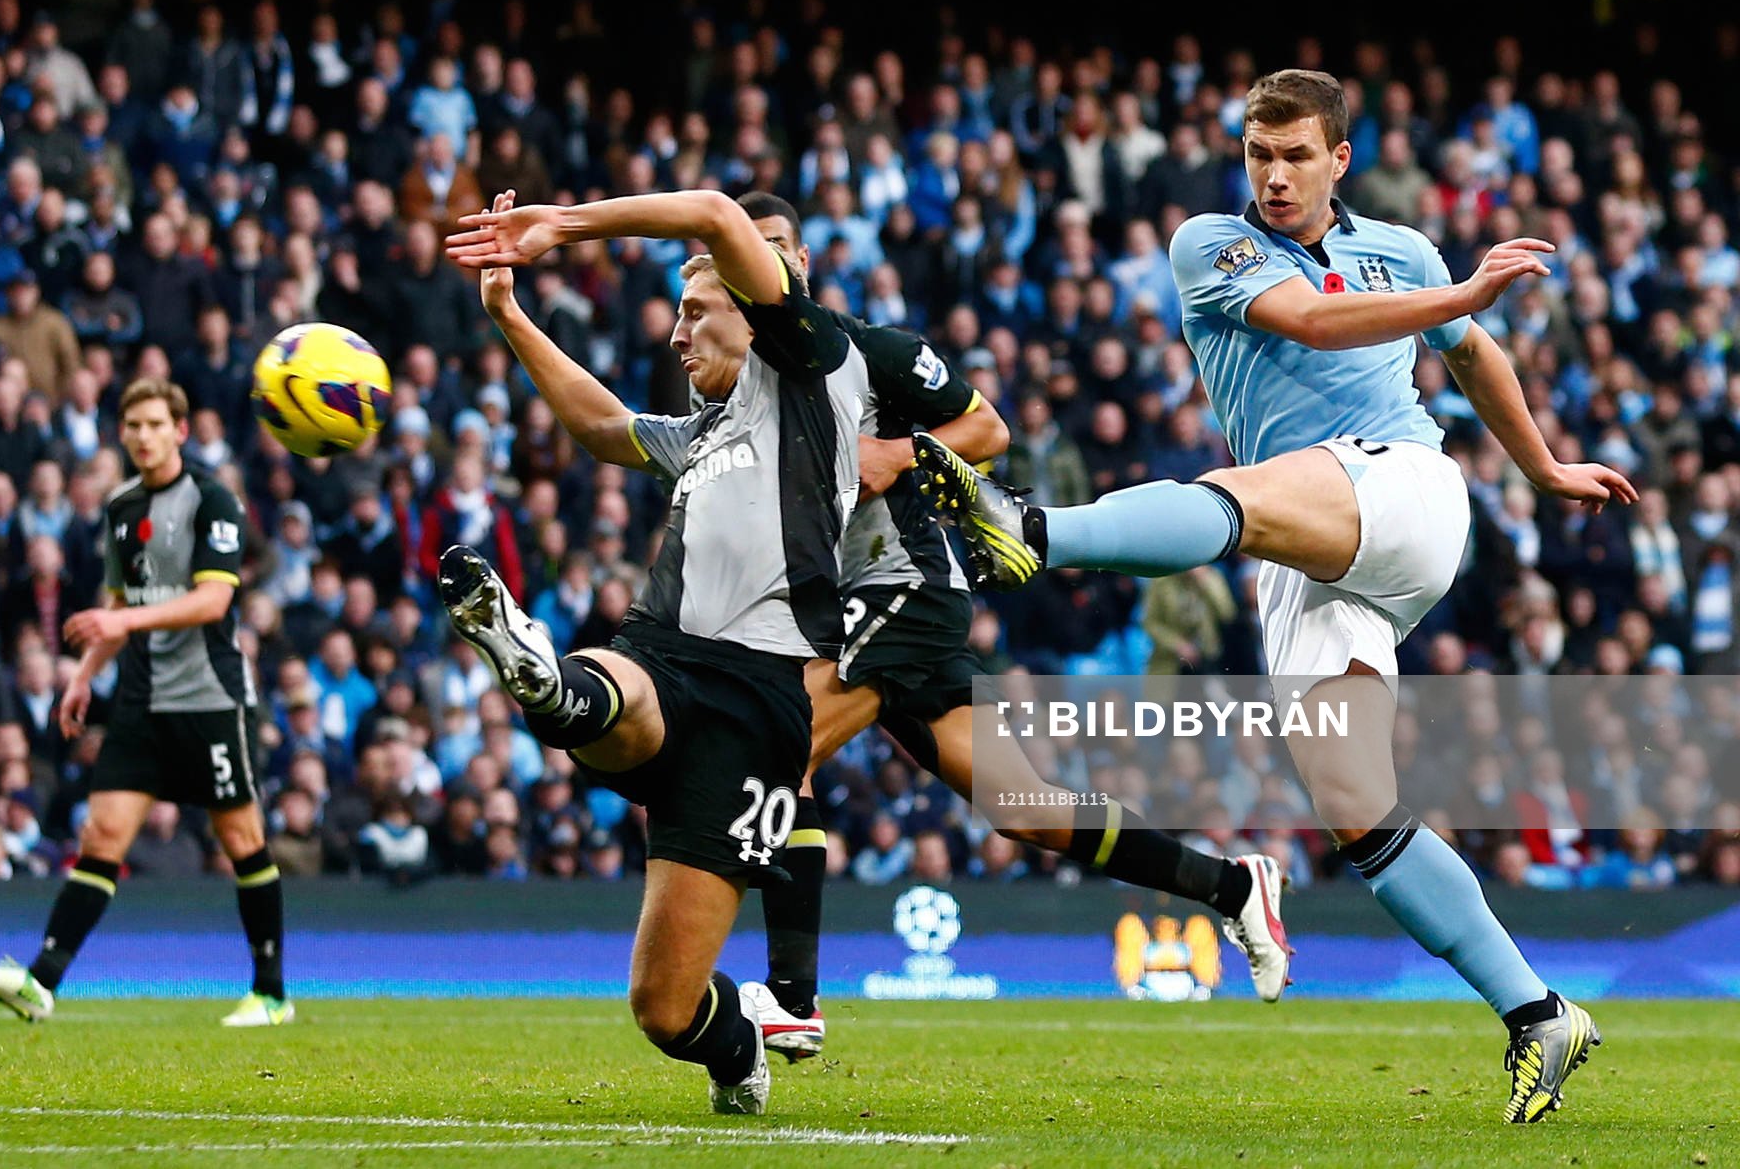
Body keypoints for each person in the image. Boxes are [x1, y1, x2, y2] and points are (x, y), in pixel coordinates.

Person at [915, 69, 1634, 1123]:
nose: (1277, 173)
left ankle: (1033, 532)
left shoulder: (1402, 251)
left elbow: (1471, 357)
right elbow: (1310, 322)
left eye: (1298, 154)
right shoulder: (1211, 242)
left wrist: (1543, 466)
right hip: (1311, 553)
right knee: (1358, 812)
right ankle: (1538, 1011)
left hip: (1403, 487)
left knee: (1235, 497)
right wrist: (1464, 297)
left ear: (1341, 158)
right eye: (1260, 153)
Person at [731, 192, 1292, 1064]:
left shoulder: (869, 351)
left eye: (776, 246)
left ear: (801, 262)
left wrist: (902, 452)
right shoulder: (750, 385)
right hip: (850, 605)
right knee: (1025, 809)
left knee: (777, 748)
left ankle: (794, 999)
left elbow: (987, 428)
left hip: (907, 590)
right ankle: (1232, 885)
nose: (765, 261)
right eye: (747, 249)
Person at [443, 187, 866, 1116]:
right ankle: (546, 679)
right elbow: (599, 425)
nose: (677, 335)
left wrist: (561, 224)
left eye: (695, 312)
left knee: (662, 1006)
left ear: (754, 313)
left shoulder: (811, 366)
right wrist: (510, 312)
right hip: (665, 659)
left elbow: (716, 210)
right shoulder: (707, 429)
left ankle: (734, 1047)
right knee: (610, 689)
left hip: (761, 698)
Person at [0, 379, 289, 1028]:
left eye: (153, 424)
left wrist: (122, 628)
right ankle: (39, 981)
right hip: (142, 697)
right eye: (131, 425)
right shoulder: (119, 507)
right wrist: (85, 675)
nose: (141, 435)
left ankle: (272, 993)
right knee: (101, 836)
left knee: (241, 839)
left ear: (180, 430)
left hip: (208, 695)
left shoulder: (212, 500)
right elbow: (119, 604)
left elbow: (213, 601)